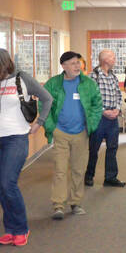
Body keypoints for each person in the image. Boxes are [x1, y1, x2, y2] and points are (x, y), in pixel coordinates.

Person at [0, 48, 53, 247]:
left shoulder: (22, 79)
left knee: (8, 183)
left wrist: (40, 122)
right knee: (1, 188)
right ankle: (10, 230)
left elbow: (47, 98)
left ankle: (21, 228)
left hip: (16, 137)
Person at [43, 51, 102, 219]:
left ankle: (76, 202)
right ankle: (58, 205)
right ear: (64, 66)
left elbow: (97, 105)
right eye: (73, 63)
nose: (77, 66)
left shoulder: (88, 84)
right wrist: (50, 127)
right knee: (60, 170)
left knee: (78, 169)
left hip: (81, 133)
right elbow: (43, 104)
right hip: (60, 132)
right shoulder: (54, 84)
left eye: (78, 63)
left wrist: (91, 125)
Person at [85, 49, 125, 187]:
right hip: (99, 118)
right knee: (94, 148)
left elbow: (119, 95)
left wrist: (117, 109)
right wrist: (103, 111)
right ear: (105, 60)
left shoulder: (113, 76)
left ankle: (110, 178)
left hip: (113, 119)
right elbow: (89, 99)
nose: (115, 59)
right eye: (113, 57)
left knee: (112, 148)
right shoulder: (93, 76)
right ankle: (89, 175)